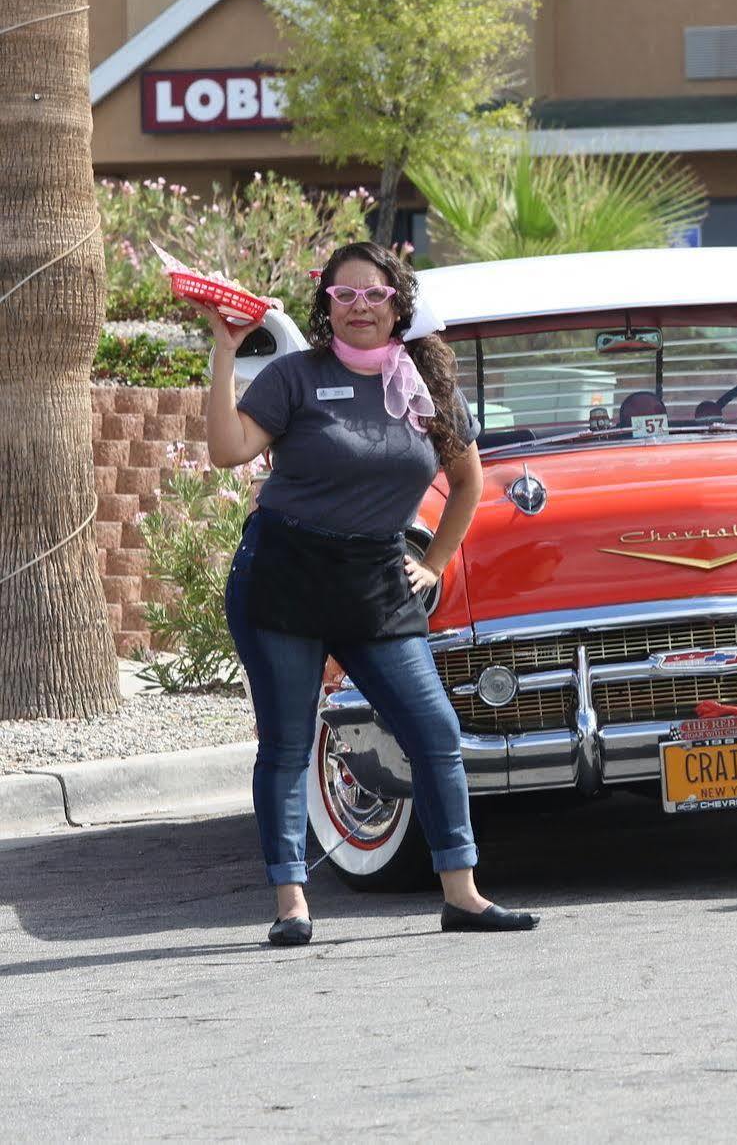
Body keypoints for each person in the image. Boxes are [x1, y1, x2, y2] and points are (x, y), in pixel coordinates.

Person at [194, 241, 538, 943]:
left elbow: (469, 483)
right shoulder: (294, 376)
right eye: (343, 294)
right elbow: (229, 450)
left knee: (435, 732)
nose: (358, 307)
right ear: (326, 303)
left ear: (397, 304)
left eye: (373, 295)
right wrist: (225, 351)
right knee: (287, 745)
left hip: (378, 578)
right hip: (285, 575)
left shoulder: (429, 387)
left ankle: (462, 894)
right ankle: (291, 903)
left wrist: (436, 562)